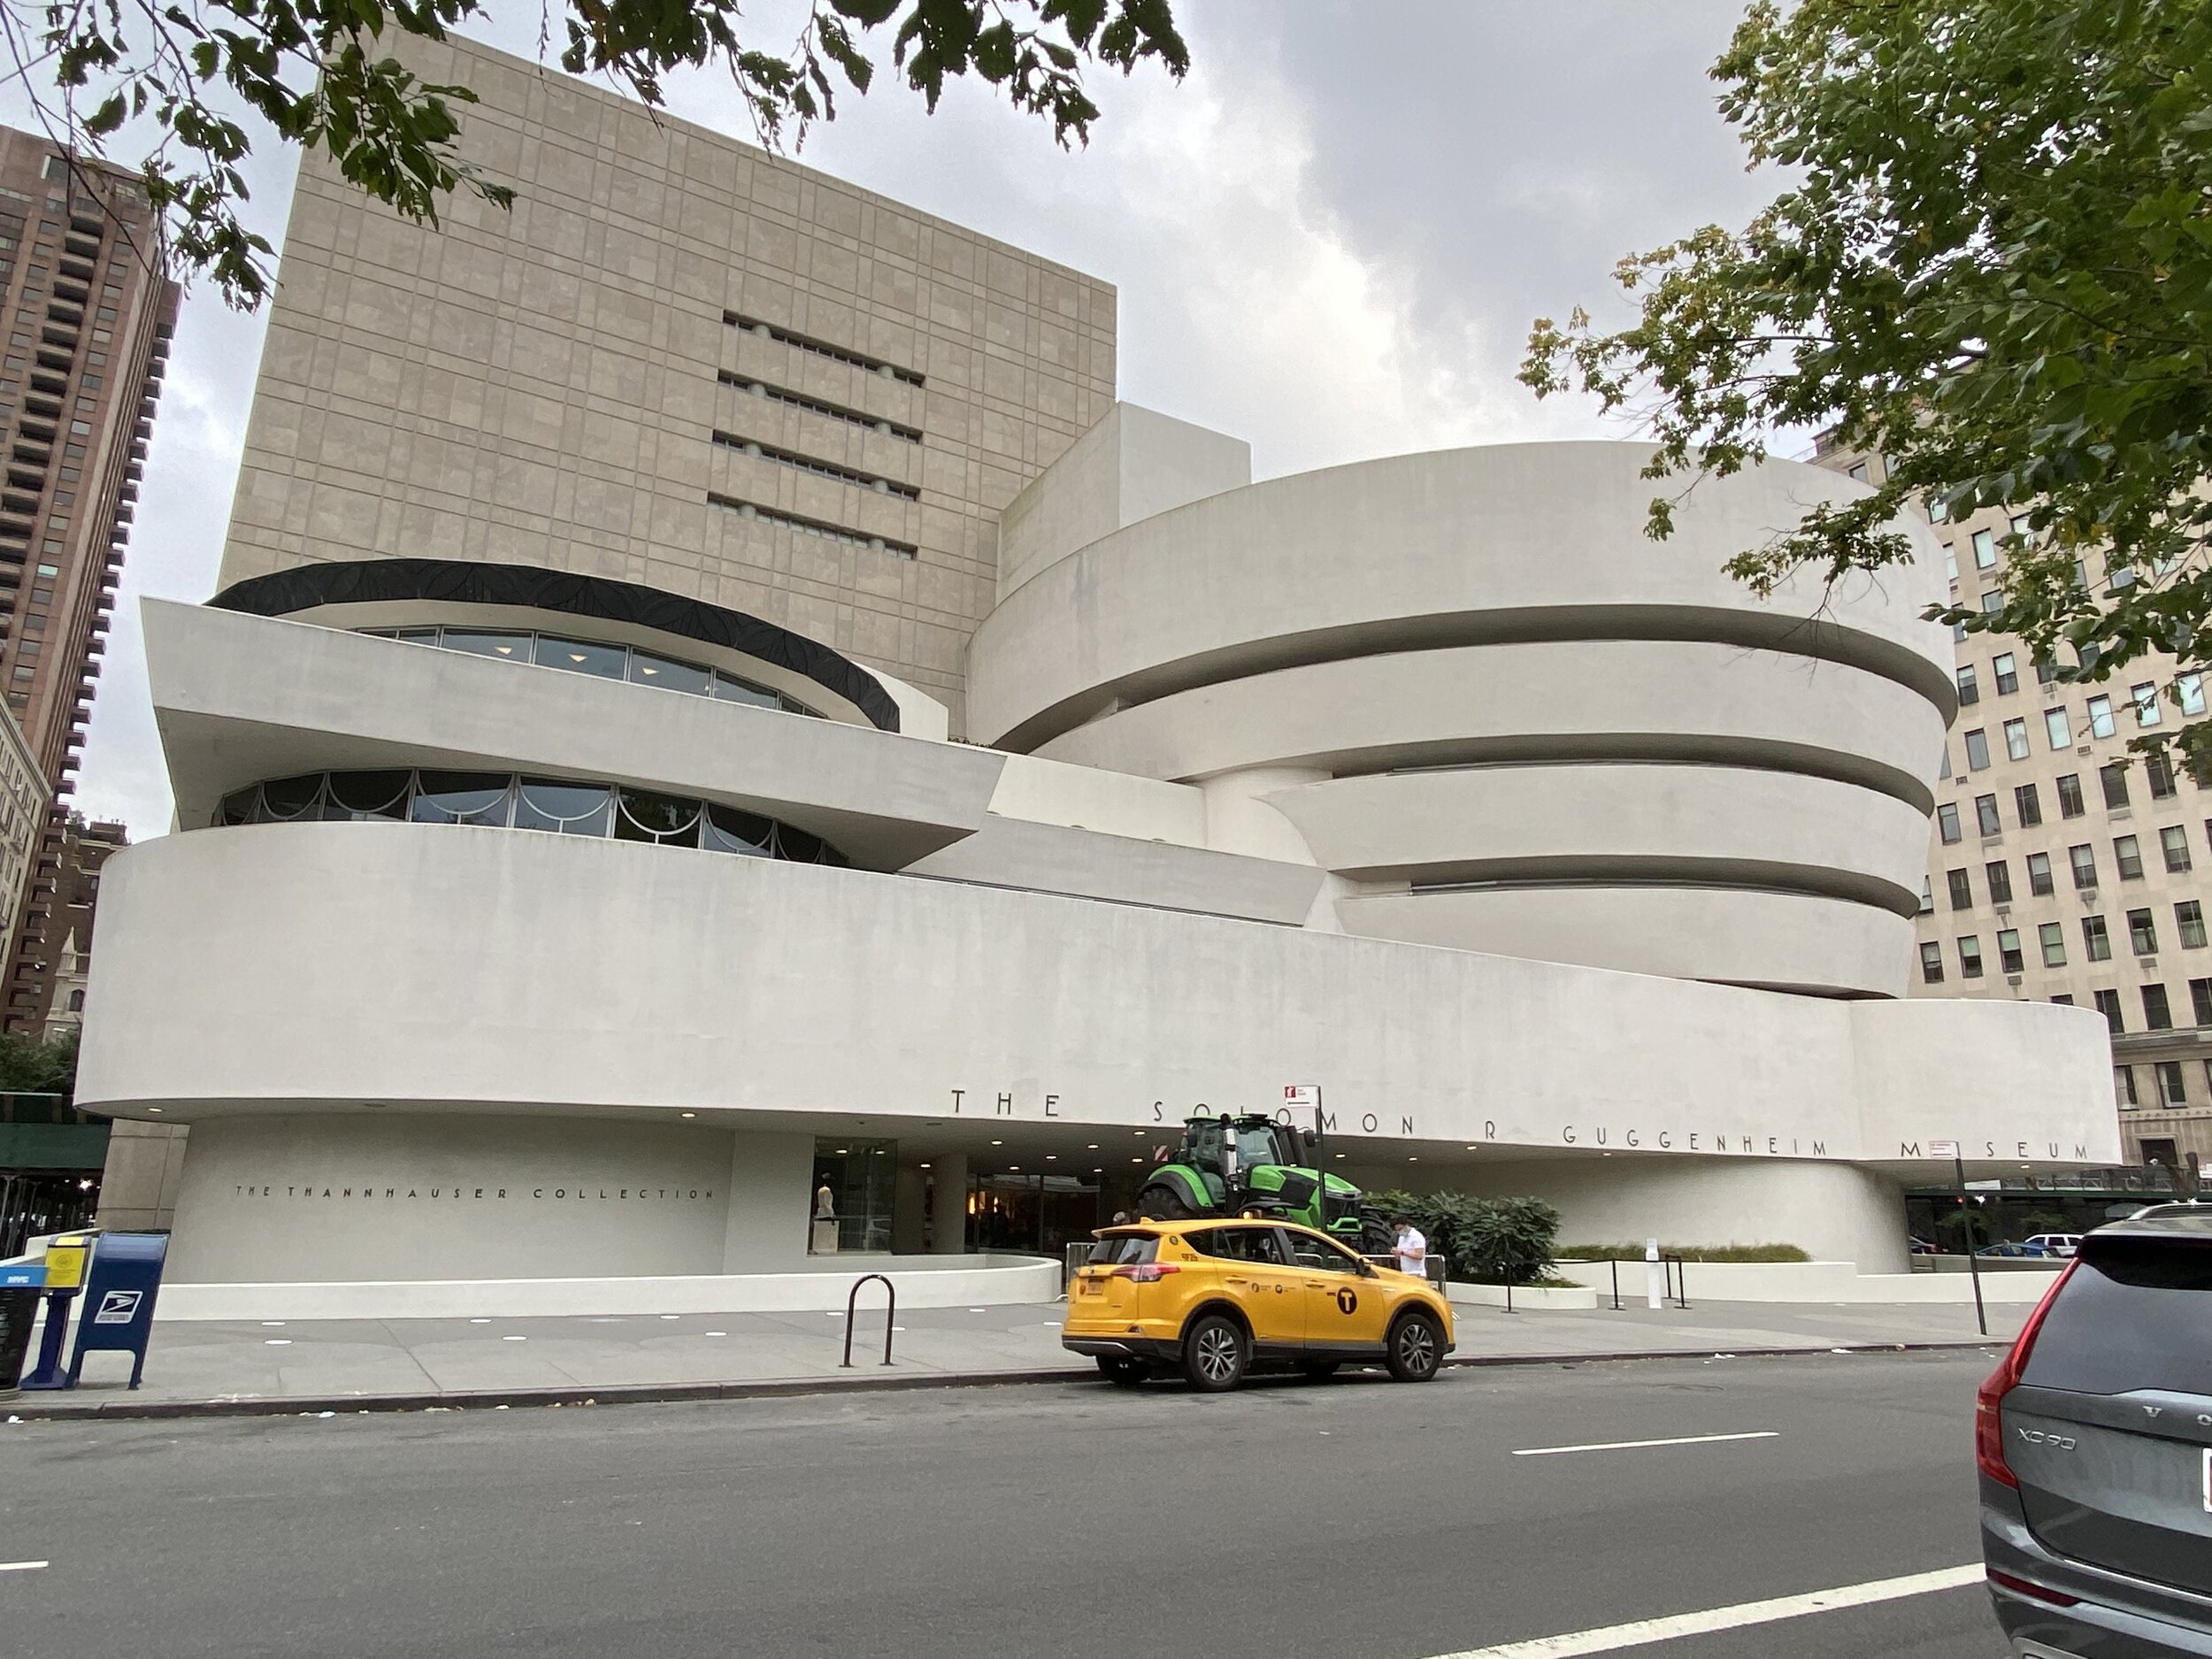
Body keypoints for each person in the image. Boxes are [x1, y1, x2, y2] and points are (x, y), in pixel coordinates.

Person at [1392, 1215, 1428, 1279]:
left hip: (1417, 1273)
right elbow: (1400, 1256)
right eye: (1397, 1230)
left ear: (1406, 1226)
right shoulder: (1401, 1238)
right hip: (1405, 1273)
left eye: (1400, 1229)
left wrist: (1403, 1253)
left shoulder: (1416, 1236)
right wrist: (1396, 1253)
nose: (1399, 1232)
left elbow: (1419, 1256)